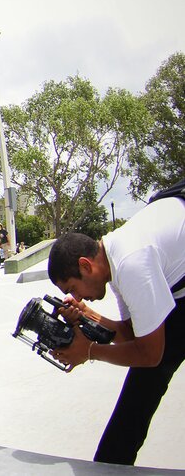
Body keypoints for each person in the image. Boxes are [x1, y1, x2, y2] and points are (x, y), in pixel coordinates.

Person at [48, 194, 185, 466]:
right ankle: (112, 463)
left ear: (85, 266)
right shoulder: (116, 257)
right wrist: (89, 316)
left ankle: (111, 464)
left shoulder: (131, 263)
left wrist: (88, 351)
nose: (79, 297)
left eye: (73, 289)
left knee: (149, 374)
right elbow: (134, 335)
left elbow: (149, 354)